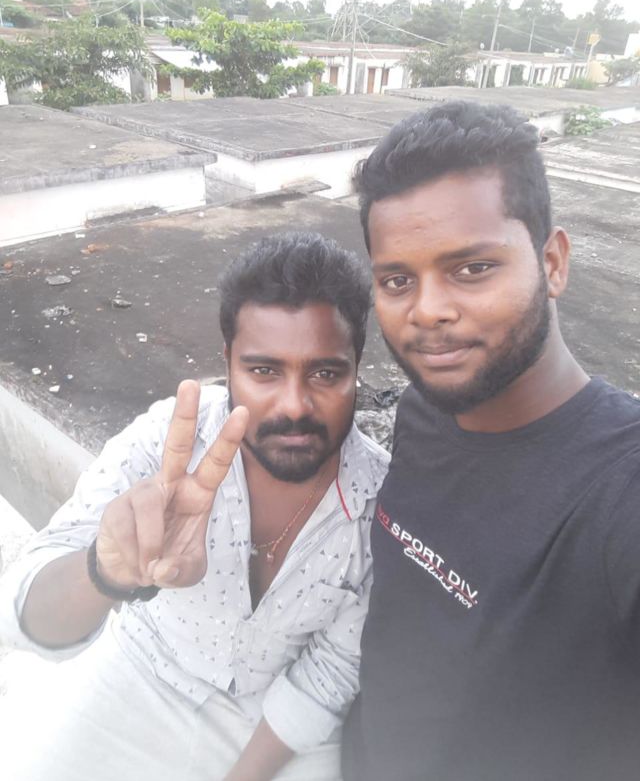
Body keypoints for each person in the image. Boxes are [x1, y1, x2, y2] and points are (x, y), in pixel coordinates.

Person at [0, 231, 389, 781]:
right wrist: (106, 573)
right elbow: (22, 615)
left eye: (325, 373)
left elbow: (329, 674)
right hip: (144, 670)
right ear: (227, 363)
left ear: (356, 368)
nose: (294, 405)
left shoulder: (381, 502)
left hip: (280, 726)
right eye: (264, 371)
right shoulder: (166, 442)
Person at [342, 101, 640, 781]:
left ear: (552, 262)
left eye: (472, 268)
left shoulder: (619, 494)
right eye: (397, 280)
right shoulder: (423, 410)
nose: (427, 311)